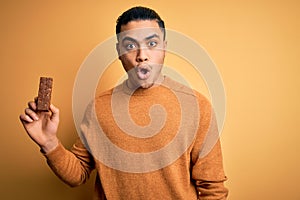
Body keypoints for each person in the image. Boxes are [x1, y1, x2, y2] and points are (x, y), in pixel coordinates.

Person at [20, 6, 228, 200]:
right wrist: (49, 142)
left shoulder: (197, 106)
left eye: (152, 44)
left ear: (164, 48)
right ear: (119, 51)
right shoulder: (98, 108)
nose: (142, 56)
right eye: (130, 45)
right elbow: (78, 174)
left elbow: (214, 189)